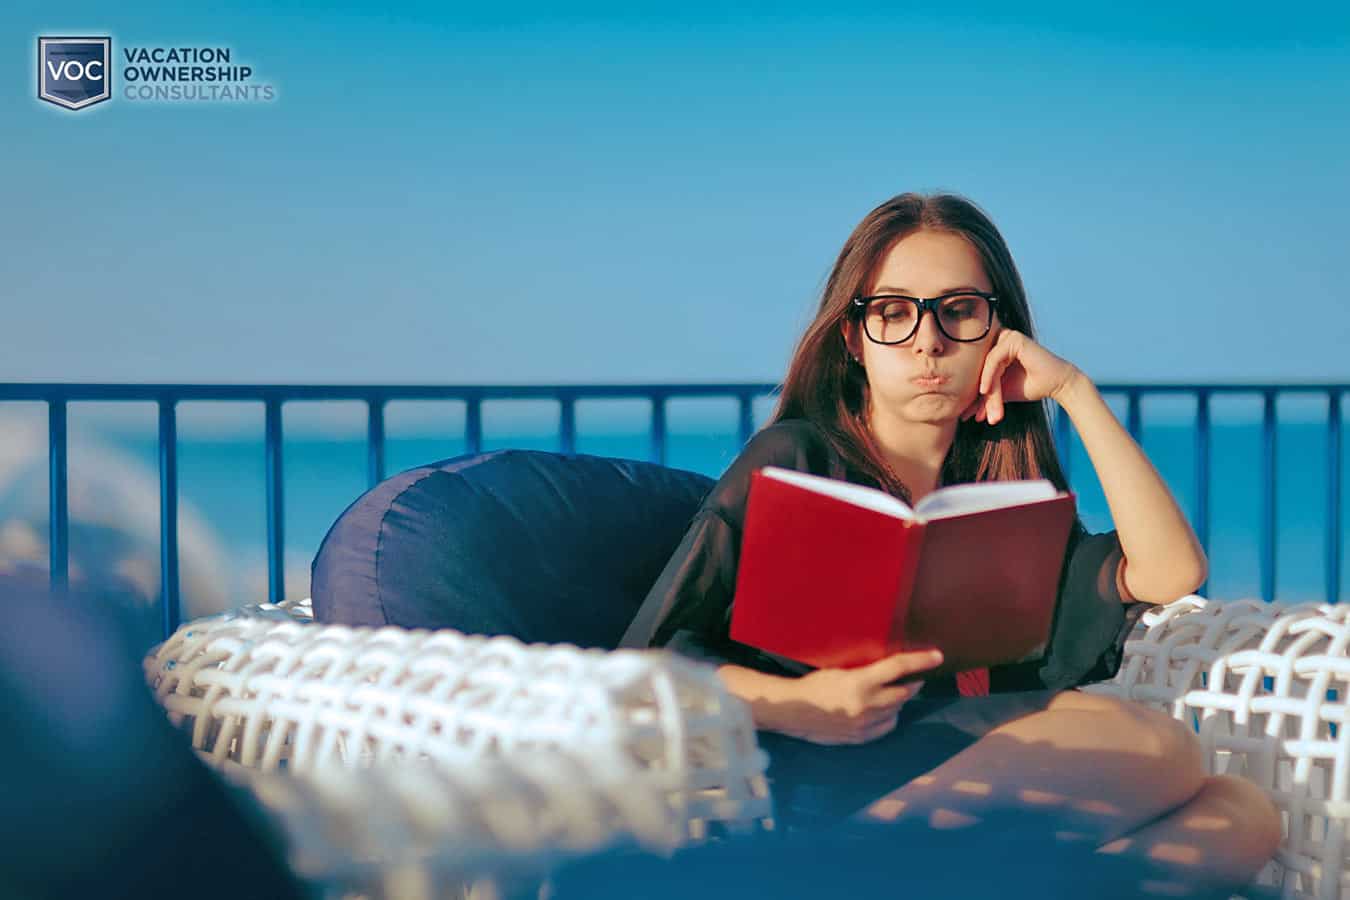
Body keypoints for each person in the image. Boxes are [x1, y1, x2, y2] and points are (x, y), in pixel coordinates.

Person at [619, 191, 1283, 896]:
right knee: (1160, 748)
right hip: (810, 783)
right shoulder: (795, 460)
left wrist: (1074, 391)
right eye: (893, 313)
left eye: (958, 311)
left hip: (963, 782)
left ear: (998, 331)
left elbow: (1171, 570)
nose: (927, 342)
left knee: (1243, 818)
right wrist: (802, 704)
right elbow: (642, 667)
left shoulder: (1000, 501)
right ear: (853, 337)